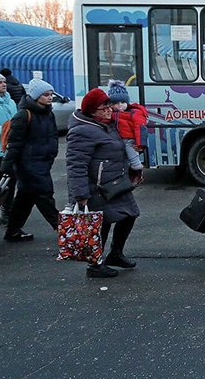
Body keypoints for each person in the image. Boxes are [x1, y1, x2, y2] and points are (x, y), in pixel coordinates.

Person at [66, 88, 142, 278]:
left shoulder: (106, 125)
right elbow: (76, 166)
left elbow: (117, 153)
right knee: (101, 225)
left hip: (116, 184)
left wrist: (133, 170)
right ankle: (95, 265)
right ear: (92, 110)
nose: (110, 110)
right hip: (97, 187)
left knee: (130, 214)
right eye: (104, 108)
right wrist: (80, 195)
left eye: (110, 106)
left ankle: (115, 254)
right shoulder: (82, 131)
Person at [0, 78, 59, 242]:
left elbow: (54, 135)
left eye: (51, 94)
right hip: (28, 164)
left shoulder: (49, 113)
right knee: (44, 195)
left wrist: (52, 152)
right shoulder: (23, 115)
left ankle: (12, 231)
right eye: (46, 94)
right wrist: (7, 166)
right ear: (36, 96)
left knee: (25, 198)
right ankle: (65, 231)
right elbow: (15, 143)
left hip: (43, 162)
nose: (50, 97)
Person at [106, 79, 148, 182]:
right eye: (116, 103)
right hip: (119, 140)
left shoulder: (134, 113)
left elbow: (140, 128)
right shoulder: (112, 114)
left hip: (130, 140)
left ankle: (137, 169)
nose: (120, 105)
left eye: (123, 102)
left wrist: (140, 144)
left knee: (132, 155)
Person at [0, 73, 17, 226]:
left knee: (10, 182)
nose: (3, 84)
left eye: (4, 82)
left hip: (10, 150)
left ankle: (7, 211)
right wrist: (6, 130)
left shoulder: (10, 102)